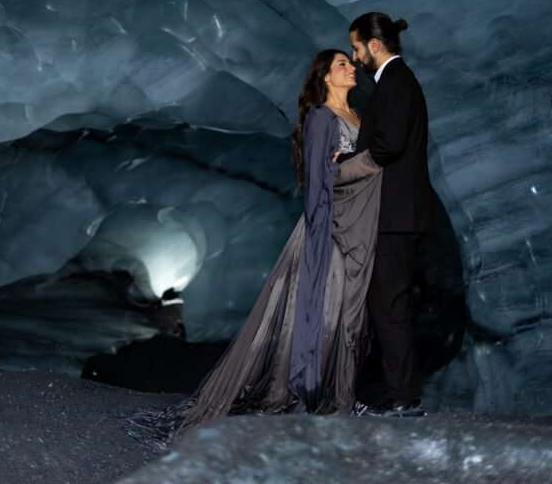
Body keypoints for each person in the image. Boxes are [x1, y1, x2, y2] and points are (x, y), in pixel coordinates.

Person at [128, 49, 382, 446]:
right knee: (324, 311)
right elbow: (320, 179)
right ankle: (311, 393)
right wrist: (361, 165)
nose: (351, 68)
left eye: (350, 63)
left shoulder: (356, 117)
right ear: (325, 77)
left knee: (348, 313)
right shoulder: (321, 117)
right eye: (341, 65)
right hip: (327, 228)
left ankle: (339, 393)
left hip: (356, 225)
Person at [348, 12, 432, 418]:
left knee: (389, 306)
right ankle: (401, 394)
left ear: (374, 45)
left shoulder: (396, 82)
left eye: (356, 48)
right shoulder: (396, 81)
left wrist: (347, 167)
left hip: (395, 216)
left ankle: (405, 400)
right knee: (387, 305)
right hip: (396, 214)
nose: (355, 57)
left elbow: (389, 145)